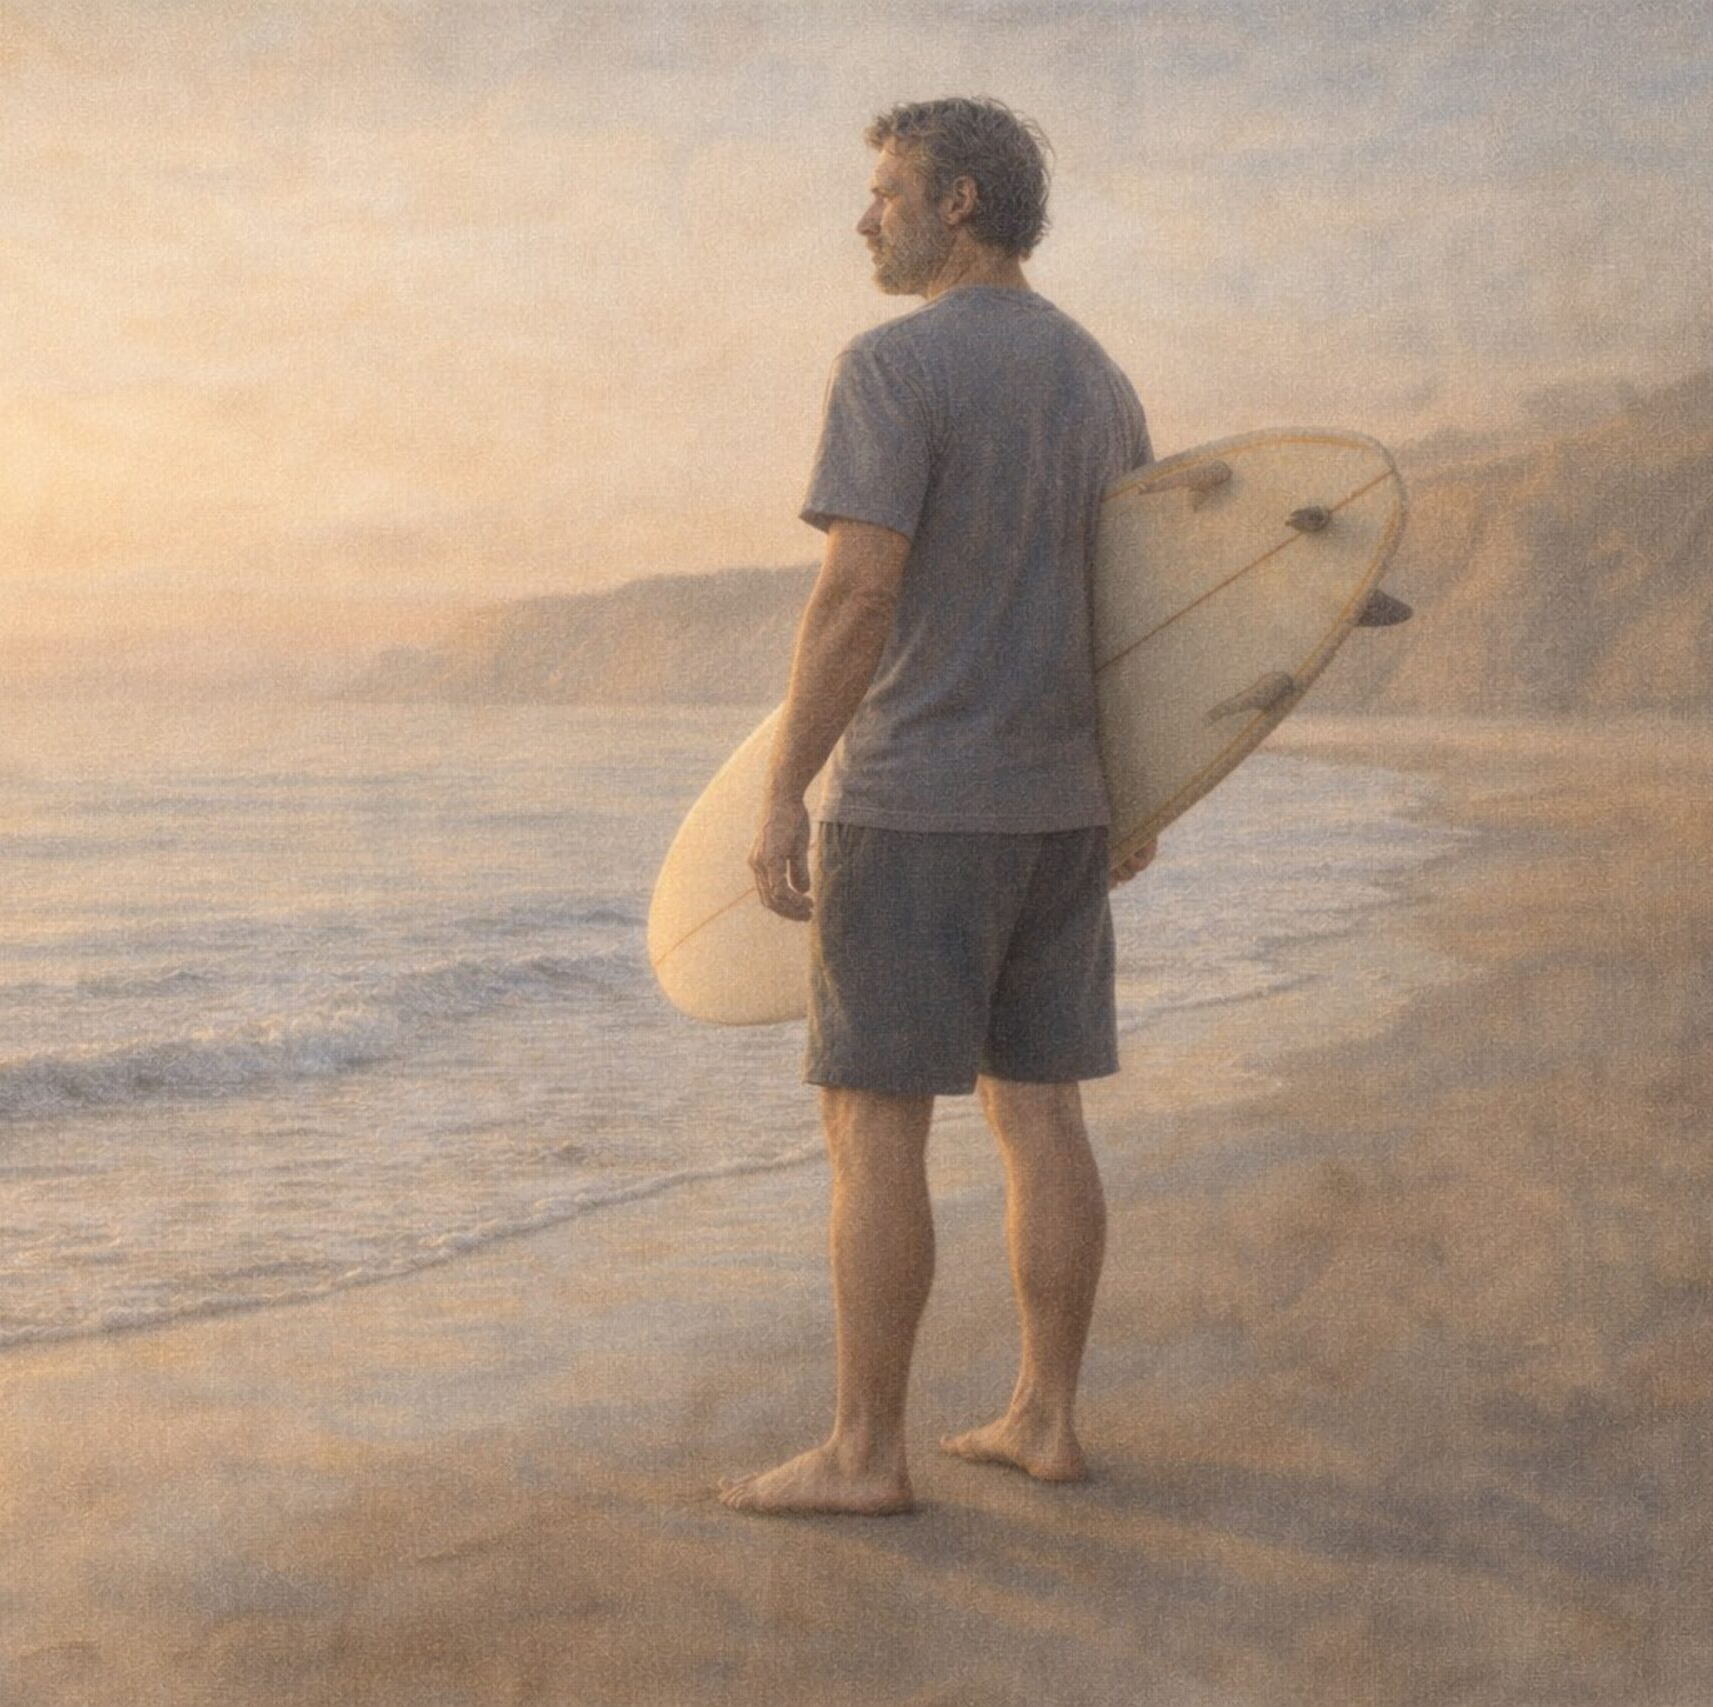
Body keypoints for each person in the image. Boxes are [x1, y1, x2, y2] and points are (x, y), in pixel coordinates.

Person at [718, 98, 1158, 1516]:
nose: (866, 217)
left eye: (886, 191)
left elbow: (856, 593)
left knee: (874, 1124)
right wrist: (1136, 794)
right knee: (1040, 1114)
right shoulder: (1100, 381)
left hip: (917, 804)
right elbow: (1140, 615)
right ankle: (1045, 1418)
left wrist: (787, 786)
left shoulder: (894, 367)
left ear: (957, 200)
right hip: (1058, 809)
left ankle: (863, 1454)